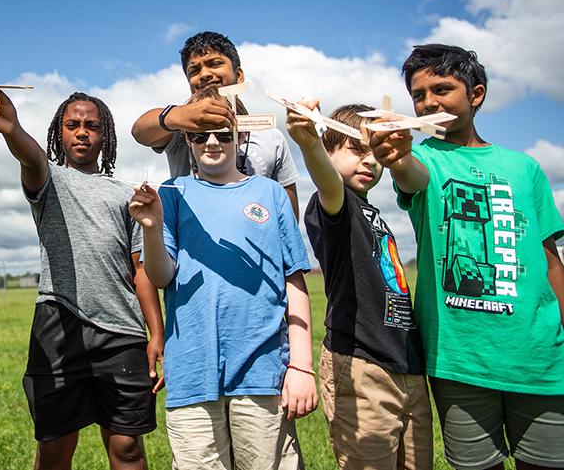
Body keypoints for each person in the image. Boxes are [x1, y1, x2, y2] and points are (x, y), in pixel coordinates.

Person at [370, 44, 564, 470]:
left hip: (539, 357)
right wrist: (398, 156)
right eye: (418, 95)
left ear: (475, 95)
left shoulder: (525, 168)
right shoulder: (421, 157)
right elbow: (410, 175)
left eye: (441, 89)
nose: (428, 102)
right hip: (459, 360)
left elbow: (551, 260)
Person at [0, 87, 164, 470]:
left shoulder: (126, 195)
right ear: (59, 133)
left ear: (104, 136)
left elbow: (140, 269)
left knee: (127, 447)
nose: (81, 132)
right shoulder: (48, 179)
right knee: (55, 447)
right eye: (72, 124)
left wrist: (156, 333)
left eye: (91, 126)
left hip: (121, 333)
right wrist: (11, 129)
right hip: (58, 324)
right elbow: (30, 158)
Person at [130, 86, 316, 470]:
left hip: (263, 371)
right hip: (191, 373)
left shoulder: (270, 193)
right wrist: (152, 228)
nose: (211, 142)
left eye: (222, 132)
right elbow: (162, 276)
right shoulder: (172, 193)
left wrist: (301, 366)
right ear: (187, 137)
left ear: (241, 134)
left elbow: (294, 283)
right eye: (200, 134)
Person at [284, 100, 431, 468]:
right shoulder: (334, 204)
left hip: (407, 367)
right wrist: (308, 143)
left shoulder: (373, 211)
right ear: (330, 149)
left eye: (375, 153)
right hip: (362, 365)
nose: (369, 161)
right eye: (356, 149)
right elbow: (328, 182)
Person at [131, 30, 300, 216]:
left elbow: (289, 213)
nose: (204, 74)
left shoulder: (271, 136)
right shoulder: (182, 127)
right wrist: (176, 116)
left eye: (215, 64)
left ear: (239, 75)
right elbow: (140, 132)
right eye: (194, 70)